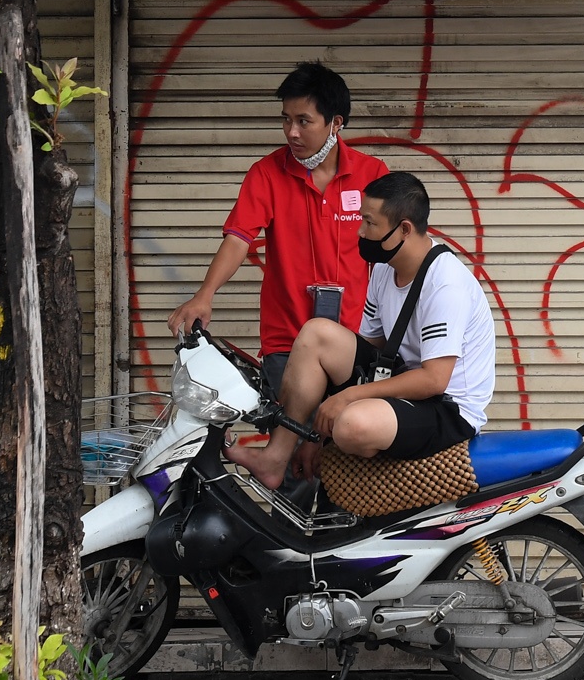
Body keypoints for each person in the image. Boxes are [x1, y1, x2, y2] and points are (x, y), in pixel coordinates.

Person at [225, 171, 496, 488]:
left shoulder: (445, 284)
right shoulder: (384, 269)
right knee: (317, 334)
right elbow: (367, 352)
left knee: (352, 423)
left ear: (404, 229)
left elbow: (434, 380)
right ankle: (276, 456)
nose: (360, 231)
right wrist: (315, 436)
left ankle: (364, 479)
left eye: (370, 223)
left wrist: (349, 398)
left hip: (448, 409)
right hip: (405, 381)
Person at [167, 62, 389, 399]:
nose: (291, 132)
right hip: (287, 341)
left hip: (356, 341)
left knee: (347, 443)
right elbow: (238, 237)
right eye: (286, 119)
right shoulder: (267, 174)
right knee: (291, 442)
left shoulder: (372, 173)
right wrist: (205, 294)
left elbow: (392, 251)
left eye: (303, 121)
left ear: (335, 123)